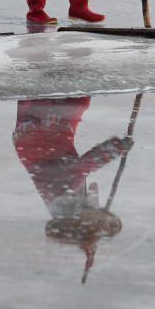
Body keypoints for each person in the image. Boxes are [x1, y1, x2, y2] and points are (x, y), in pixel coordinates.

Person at [13, 97, 132, 282]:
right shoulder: (70, 205)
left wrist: (115, 149)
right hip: (42, 137)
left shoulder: (63, 194)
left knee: (59, 99)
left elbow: (84, 166)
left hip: (39, 133)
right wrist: (87, 248)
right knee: (76, 102)